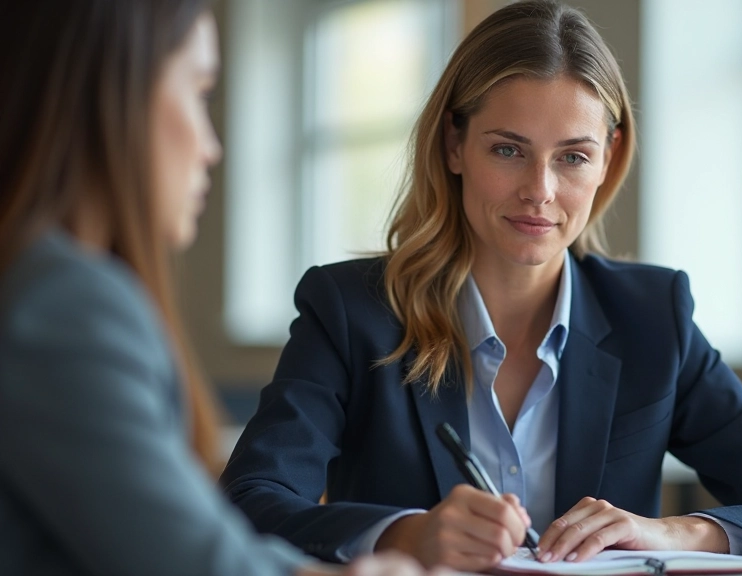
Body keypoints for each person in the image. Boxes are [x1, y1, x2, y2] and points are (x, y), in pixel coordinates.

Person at [220, 0, 742, 572]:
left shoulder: (653, 318)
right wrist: (408, 534)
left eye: (572, 156)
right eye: (508, 149)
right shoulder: (352, 311)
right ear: (455, 144)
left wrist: (676, 533)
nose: (540, 191)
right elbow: (248, 507)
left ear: (609, 158)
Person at [0, 2, 439, 576]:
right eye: (200, 92)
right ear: (113, 95)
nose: (212, 146)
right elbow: (188, 557)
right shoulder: (63, 304)